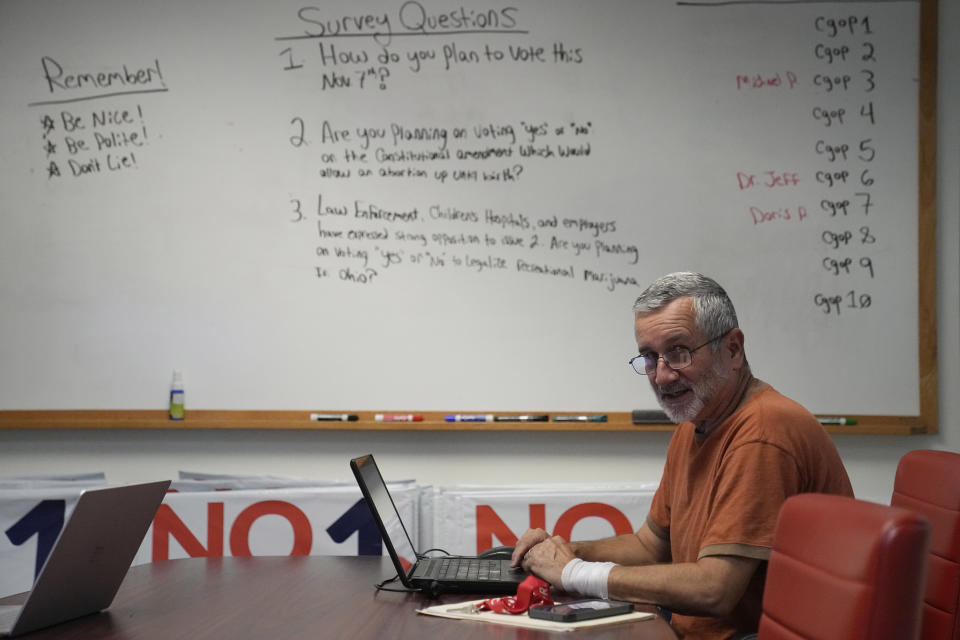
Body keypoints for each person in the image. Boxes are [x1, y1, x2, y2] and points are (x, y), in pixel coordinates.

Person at [511, 271, 853, 639]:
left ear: (733, 350)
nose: (661, 376)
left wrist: (575, 573)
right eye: (649, 357)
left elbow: (714, 589)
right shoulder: (695, 423)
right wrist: (565, 552)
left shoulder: (763, 432)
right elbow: (650, 547)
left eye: (678, 352)